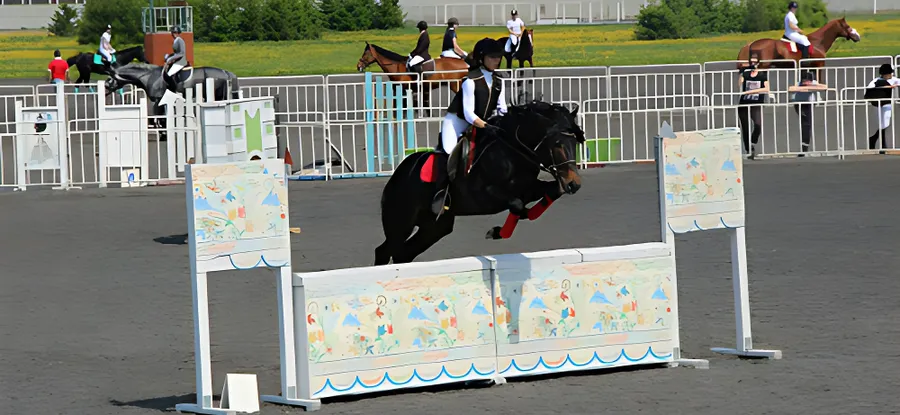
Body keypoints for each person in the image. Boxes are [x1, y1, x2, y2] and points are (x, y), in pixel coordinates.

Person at [433, 38, 508, 213]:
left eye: (498, 57)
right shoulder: (470, 80)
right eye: (492, 57)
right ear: (482, 58)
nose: (496, 60)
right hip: (457, 123)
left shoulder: (499, 81)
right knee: (451, 154)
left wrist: (503, 123)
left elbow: (502, 108)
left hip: (484, 124)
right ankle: (442, 194)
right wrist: (487, 126)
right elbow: (468, 114)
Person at [736, 51, 769, 158]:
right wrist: (742, 72)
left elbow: (767, 88)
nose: (753, 63)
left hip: (756, 102)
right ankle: (748, 150)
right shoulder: (746, 73)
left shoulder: (762, 74)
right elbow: (740, 84)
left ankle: (753, 143)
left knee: (758, 124)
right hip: (744, 102)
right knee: (744, 127)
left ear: (759, 62)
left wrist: (750, 92)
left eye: (755, 61)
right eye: (751, 61)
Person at [788, 71, 828, 154]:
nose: (806, 83)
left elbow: (825, 87)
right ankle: (804, 148)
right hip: (799, 104)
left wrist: (811, 87)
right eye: (805, 81)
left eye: (808, 81)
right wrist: (803, 88)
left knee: (807, 125)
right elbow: (790, 89)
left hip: (809, 104)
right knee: (805, 124)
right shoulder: (799, 83)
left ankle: (805, 146)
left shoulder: (813, 83)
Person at [864, 63, 900, 151]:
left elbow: (898, 82)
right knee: (881, 123)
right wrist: (885, 86)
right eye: (887, 74)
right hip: (878, 104)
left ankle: (875, 139)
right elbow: (869, 89)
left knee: (886, 123)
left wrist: (894, 86)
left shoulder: (895, 79)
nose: (890, 75)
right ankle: (882, 144)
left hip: (887, 104)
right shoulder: (876, 81)